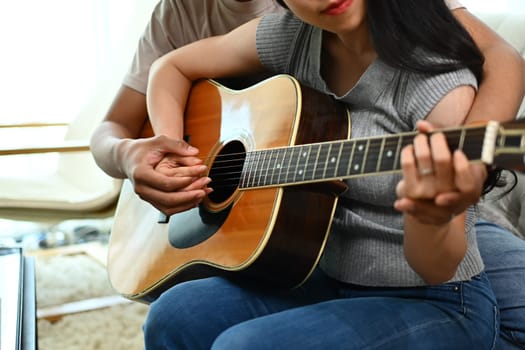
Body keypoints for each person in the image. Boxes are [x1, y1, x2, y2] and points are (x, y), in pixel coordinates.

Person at [88, 0, 525, 348]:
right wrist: (177, 151)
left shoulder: (439, 85)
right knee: (175, 313)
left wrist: (431, 216)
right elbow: (172, 66)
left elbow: (437, 268)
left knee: (247, 345)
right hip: (324, 274)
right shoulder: (293, 37)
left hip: (437, 299)